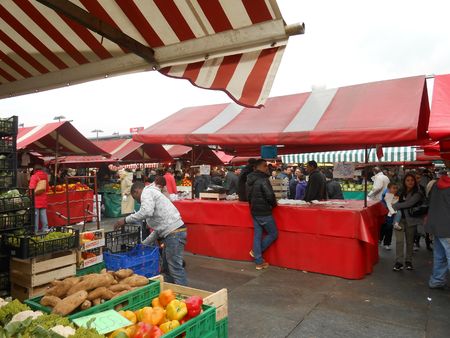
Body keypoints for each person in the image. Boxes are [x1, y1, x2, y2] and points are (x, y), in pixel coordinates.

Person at [115, 182, 187, 285]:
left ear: (137, 191)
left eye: (135, 198)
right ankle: (170, 292)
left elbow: (146, 212)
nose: (138, 202)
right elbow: (159, 229)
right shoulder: (151, 194)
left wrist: (125, 220)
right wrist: (144, 244)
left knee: (175, 269)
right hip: (172, 233)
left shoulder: (146, 193)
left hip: (174, 234)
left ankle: (183, 295)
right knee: (167, 269)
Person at [246, 159, 278, 270]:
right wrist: (273, 205)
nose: (267, 169)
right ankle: (256, 253)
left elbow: (248, 196)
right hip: (264, 211)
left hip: (254, 210)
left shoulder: (249, 179)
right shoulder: (263, 179)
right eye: (266, 167)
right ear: (263, 167)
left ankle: (259, 261)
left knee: (257, 235)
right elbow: (270, 196)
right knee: (273, 233)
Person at [425, 161, 450, 289]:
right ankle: (437, 280)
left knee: (440, 255)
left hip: (435, 225)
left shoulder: (436, 184)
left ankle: (437, 280)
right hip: (447, 227)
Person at [392, 174, 424, 271]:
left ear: (415, 181)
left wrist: (396, 206)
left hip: (411, 220)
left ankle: (408, 261)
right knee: (399, 241)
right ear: (404, 182)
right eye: (407, 180)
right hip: (399, 220)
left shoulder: (418, 193)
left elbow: (409, 204)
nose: (410, 182)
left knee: (410, 242)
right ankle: (399, 262)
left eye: (412, 180)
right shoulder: (400, 191)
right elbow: (393, 200)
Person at [29, 165, 49, 234]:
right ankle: (45, 229)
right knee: (43, 214)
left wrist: (30, 195)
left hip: (36, 200)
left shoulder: (34, 176)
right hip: (43, 199)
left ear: (34, 170)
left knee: (35, 216)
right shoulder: (45, 176)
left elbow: (32, 188)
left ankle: (35, 231)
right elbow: (47, 188)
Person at [380, 183, 399, 250]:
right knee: (383, 227)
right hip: (385, 215)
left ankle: (387, 243)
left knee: (389, 229)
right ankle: (380, 239)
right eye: (393, 188)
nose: (395, 190)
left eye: (396, 188)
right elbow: (383, 204)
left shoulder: (396, 196)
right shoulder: (385, 195)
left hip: (391, 217)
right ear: (388, 188)